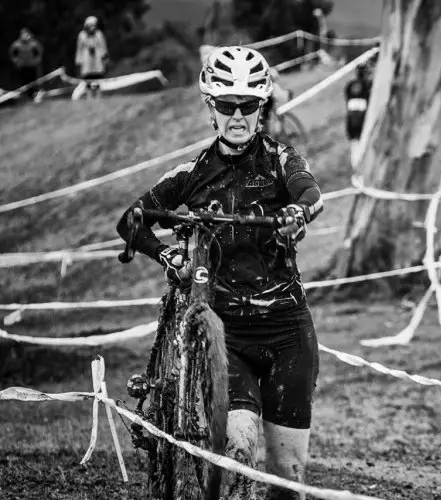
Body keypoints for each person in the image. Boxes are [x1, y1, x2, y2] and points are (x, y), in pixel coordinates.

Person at [116, 45, 324, 500]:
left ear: (261, 108)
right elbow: (132, 220)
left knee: (289, 479)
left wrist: (297, 214)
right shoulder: (192, 173)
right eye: (227, 105)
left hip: (288, 330)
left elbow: (312, 193)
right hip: (225, 336)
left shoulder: (281, 160)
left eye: (248, 106)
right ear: (211, 106)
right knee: (238, 447)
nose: (237, 116)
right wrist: (165, 255)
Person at [344, 62, 373, 175]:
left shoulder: (349, 85)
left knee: (355, 144)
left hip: (351, 118)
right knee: (364, 143)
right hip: (363, 119)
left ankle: (357, 168)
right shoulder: (369, 85)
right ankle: (362, 169)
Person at [75, 16, 108, 98]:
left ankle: (98, 97)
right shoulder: (82, 36)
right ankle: (89, 97)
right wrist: (78, 62)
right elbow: (79, 49)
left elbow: (103, 47)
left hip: (97, 62)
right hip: (86, 62)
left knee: (98, 81)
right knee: (88, 81)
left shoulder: (99, 34)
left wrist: (105, 59)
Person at [9, 28, 43, 99]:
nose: (25, 36)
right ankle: (23, 95)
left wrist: (36, 61)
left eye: (26, 34)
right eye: (23, 34)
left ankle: (34, 95)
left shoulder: (34, 43)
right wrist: (17, 62)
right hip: (22, 67)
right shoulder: (16, 45)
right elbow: (13, 55)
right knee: (23, 82)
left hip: (32, 66)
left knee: (33, 81)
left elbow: (39, 53)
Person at [259, 67, 293, 135]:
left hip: (269, 106)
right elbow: (282, 96)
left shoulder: (272, 85)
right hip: (266, 107)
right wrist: (289, 93)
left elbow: (280, 95)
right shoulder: (272, 85)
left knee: (274, 121)